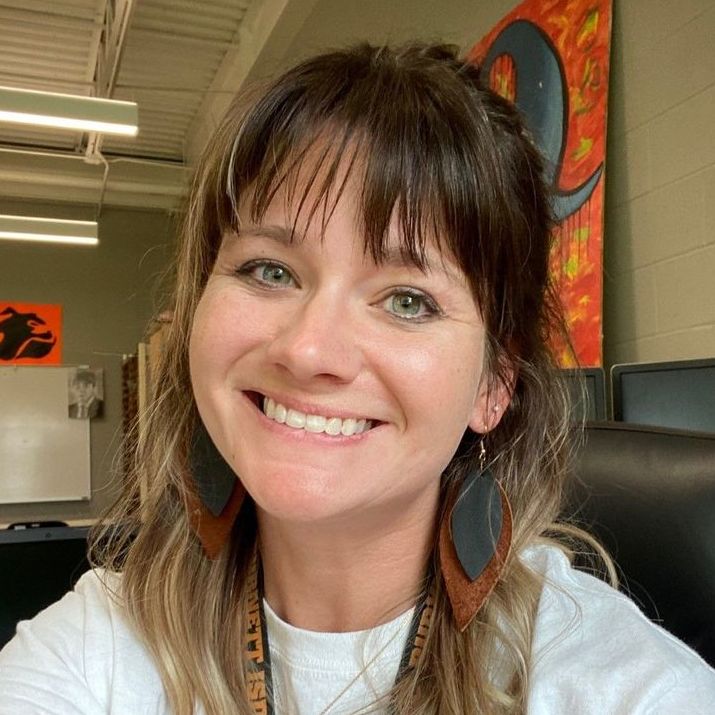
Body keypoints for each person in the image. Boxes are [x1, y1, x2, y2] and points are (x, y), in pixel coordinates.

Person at [0, 43, 713, 714]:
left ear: (493, 386)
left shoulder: (624, 686)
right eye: (269, 270)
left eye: (407, 301)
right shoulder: (94, 648)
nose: (308, 349)